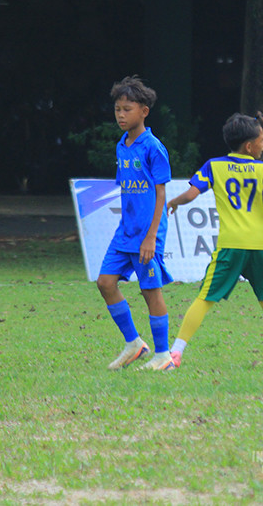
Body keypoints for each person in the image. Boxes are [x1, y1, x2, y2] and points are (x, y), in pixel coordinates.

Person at [165, 113, 263, 369]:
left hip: (230, 246)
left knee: (205, 298)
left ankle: (176, 352)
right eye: (261, 140)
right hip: (260, 247)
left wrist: (173, 202)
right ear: (249, 146)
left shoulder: (214, 166)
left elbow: (191, 194)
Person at [97, 76, 176, 371]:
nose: (120, 114)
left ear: (144, 111)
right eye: (117, 109)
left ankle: (163, 355)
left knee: (149, 290)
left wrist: (151, 236)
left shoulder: (153, 147)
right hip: (126, 231)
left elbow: (160, 193)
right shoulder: (122, 145)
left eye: (127, 109)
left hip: (147, 233)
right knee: (105, 283)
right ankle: (134, 343)